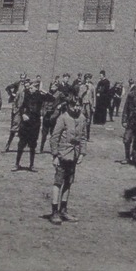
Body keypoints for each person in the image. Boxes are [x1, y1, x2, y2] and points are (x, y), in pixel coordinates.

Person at [47, 95, 88, 223]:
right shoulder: (63, 118)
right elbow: (54, 138)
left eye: (78, 105)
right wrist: (55, 155)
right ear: (69, 106)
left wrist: (82, 153)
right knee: (58, 182)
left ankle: (63, 210)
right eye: (74, 105)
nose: (76, 108)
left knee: (68, 182)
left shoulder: (82, 118)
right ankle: (54, 211)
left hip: (74, 156)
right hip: (62, 154)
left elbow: (83, 138)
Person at [12, 79, 43, 171]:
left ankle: (31, 165)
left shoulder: (40, 97)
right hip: (25, 124)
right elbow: (21, 107)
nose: (30, 89)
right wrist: (23, 114)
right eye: (30, 87)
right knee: (21, 144)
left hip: (35, 124)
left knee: (33, 145)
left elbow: (51, 98)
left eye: (32, 87)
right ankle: (16, 164)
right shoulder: (27, 95)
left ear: (36, 88)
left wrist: (43, 91)